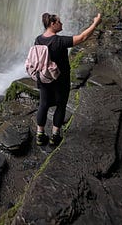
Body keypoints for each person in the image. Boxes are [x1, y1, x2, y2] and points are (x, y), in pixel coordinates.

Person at [35, 12, 102, 146]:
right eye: (59, 22)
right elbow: (83, 37)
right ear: (52, 24)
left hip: (43, 77)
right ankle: (55, 136)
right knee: (61, 105)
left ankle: (40, 135)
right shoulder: (59, 41)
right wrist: (95, 23)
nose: (62, 24)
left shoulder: (38, 39)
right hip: (60, 79)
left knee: (43, 105)